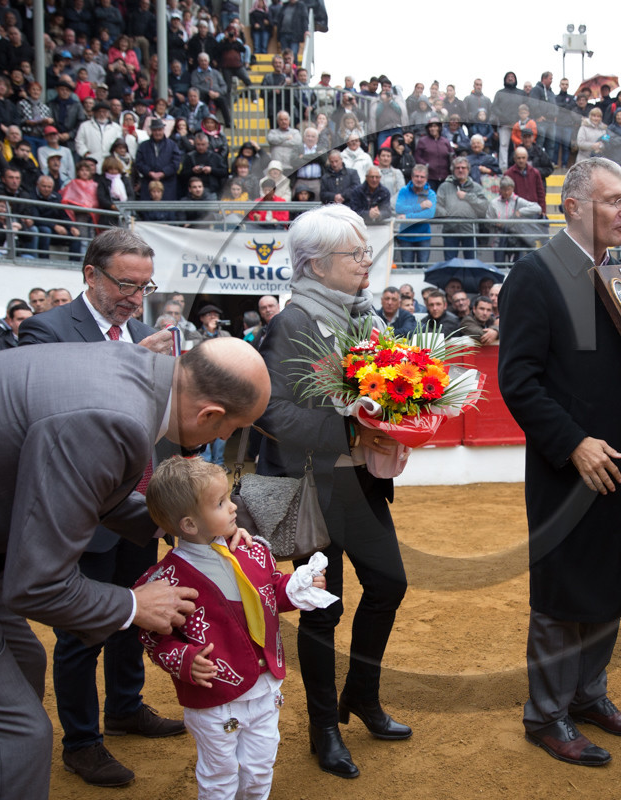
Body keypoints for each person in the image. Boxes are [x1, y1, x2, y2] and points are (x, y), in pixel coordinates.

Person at [0, 337, 268, 800]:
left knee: (24, 661)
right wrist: (133, 604)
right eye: (236, 426)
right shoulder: (113, 420)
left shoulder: (138, 373)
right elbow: (38, 585)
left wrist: (191, 528)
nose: (227, 439)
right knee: (15, 738)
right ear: (210, 414)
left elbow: (87, 490)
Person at [498, 158, 621, 768]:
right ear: (573, 206)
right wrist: (572, 442)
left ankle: (588, 695)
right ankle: (546, 714)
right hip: (570, 466)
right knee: (563, 593)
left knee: (612, 582)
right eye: (613, 201)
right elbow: (518, 380)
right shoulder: (535, 275)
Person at [18, 229, 183, 787]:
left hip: (136, 505)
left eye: (144, 286)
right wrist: (133, 362)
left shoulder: (143, 332)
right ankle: (82, 743)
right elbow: (48, 405)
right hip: (80, 511)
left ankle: (126, 707)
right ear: (90, 275)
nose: (135, 298)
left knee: (132, 615)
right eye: (124, 284)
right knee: (80, 631)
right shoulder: (47, 329)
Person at [255, 205, 411, 780]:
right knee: (323, 609)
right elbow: (269, 410)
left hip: (355, 479)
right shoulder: (292, 322)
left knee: (389, 583)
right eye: (354, 254)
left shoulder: (361, 316)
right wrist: (350, 426)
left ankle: (360, 698)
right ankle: (324, 726)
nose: (365, 262)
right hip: (305, 485)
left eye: (365, 252)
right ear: (317, 266)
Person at [138, 456, 335, 800]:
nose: (233, 508)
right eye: (220, 503)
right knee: (219, 777)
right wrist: (185, 659)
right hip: (214, 698)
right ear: (188, 524)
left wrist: (296, 587)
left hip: (264, 690)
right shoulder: (164, 581)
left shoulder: (251, 550)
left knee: (260, 769)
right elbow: (155, 637)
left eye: (228, 498)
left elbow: (269, 589)